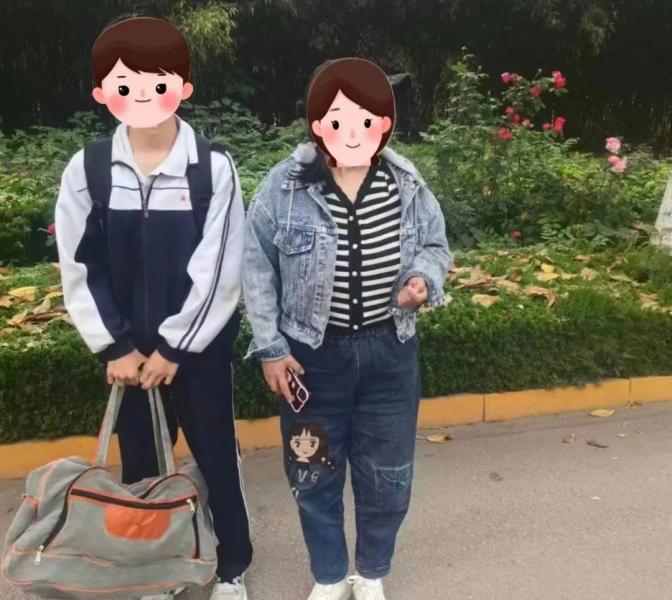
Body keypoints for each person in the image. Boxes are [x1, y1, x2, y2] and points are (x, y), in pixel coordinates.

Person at [55, 17, 251, 600]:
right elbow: (79, 265)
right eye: (125, 84)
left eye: (156, 82)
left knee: (216, 457)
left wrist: (174, 347)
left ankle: (233, 566)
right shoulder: (88, 170)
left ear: (182, 87)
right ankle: (156, 570)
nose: (141, 95)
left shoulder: (211, 168)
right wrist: (115, 346)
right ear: (102, 93)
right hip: (127, 357)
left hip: (198, 351)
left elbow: (220, 268)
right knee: (141, 466)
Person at [242, 57, 452, 600]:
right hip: (311, 359)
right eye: (338, 120)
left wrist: (423, 279)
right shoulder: (285, 186)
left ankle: (372, 571)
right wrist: (270, 348)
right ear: (317, 124)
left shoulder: (406, 183)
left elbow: (436, 245)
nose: (352, 132)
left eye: (367, 119)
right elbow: (256, 266)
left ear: (385, 122)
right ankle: (330, 575)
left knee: (388, 476)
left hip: (389, 353)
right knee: (312, 471)